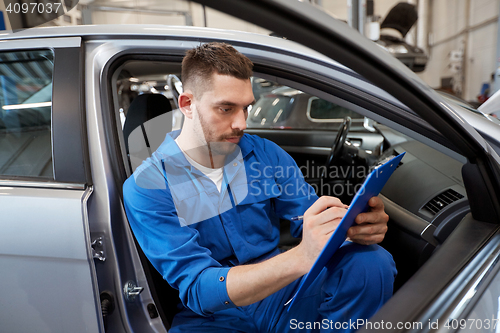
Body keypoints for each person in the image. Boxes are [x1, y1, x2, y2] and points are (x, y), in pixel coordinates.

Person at [123, 42, 396, 332]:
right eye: (226, 109)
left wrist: (350, 228)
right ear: (188, 105)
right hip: (214, 316)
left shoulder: (266, 154)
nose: (241, 123)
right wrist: (301, 257)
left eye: (246, 108)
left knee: (371, 263)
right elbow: (200, 289)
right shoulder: (147, 186)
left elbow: (306, 219)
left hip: (281, 294)